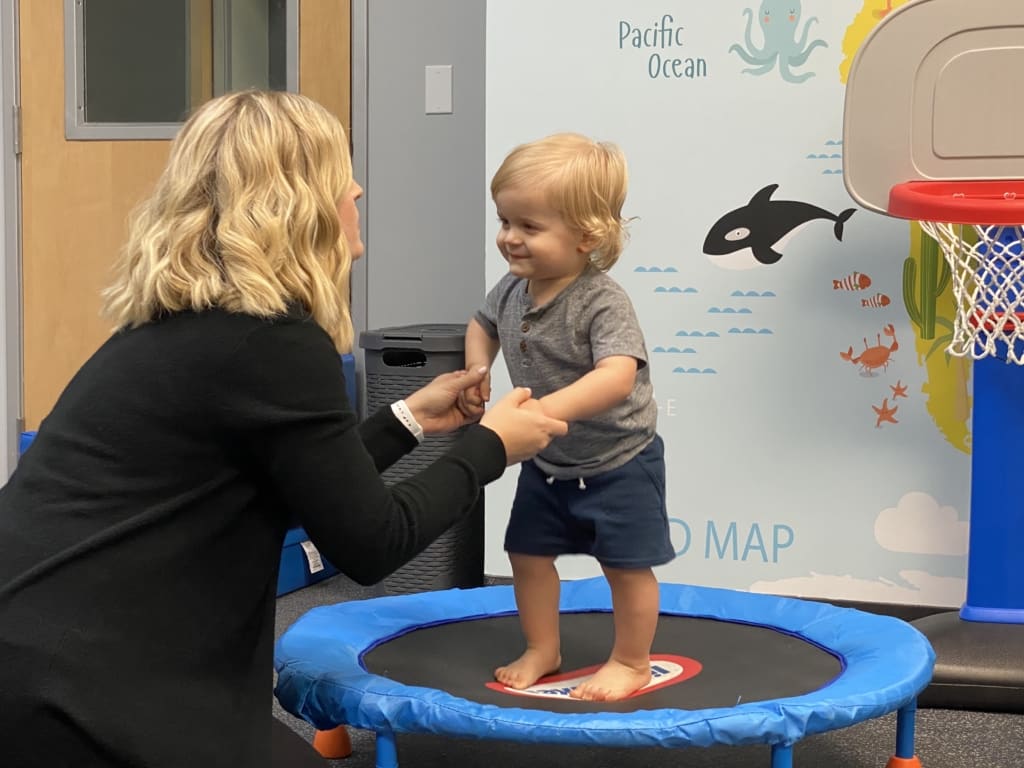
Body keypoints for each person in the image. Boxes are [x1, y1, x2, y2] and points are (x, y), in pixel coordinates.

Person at [0, 90, 568, 768]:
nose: (357, 188)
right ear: (299, 203)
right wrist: (491, 445)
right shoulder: (273, 343)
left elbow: (310, 484)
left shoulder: (188, 326)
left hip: (48, 649)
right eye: (341, 175)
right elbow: (371, 541)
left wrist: (410, 419)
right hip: (88, 689)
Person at [459, 132, 674, 702]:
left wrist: (546, 409)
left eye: (529, 227)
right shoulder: (511, 289)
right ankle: (542, 648)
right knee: (526, 554)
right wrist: (478, 372)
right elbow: (481, 324)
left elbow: (617, 375)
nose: (509, 238)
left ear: (587, 237)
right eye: (505, 221)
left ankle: (631, 661)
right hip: (549, 461)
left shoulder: (601, 300)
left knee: (627, 568)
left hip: (619, 461)